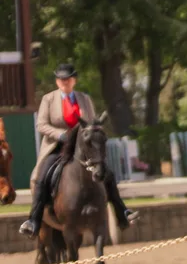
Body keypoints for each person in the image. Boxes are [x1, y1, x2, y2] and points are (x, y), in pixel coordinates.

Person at [19, 62, 137, 236]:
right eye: (61, 79)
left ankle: (122, 213)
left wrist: (95, 132)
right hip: (57, 147)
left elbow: (93, 122)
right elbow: (41, 125)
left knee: (108, 174)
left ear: (74, 80)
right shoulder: (48, 99)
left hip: (83, 148)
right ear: (57, 81)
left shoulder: (85, 99)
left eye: (68, 79)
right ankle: (33, 220)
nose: (64, 82)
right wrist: (60, 135)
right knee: (42, 177)